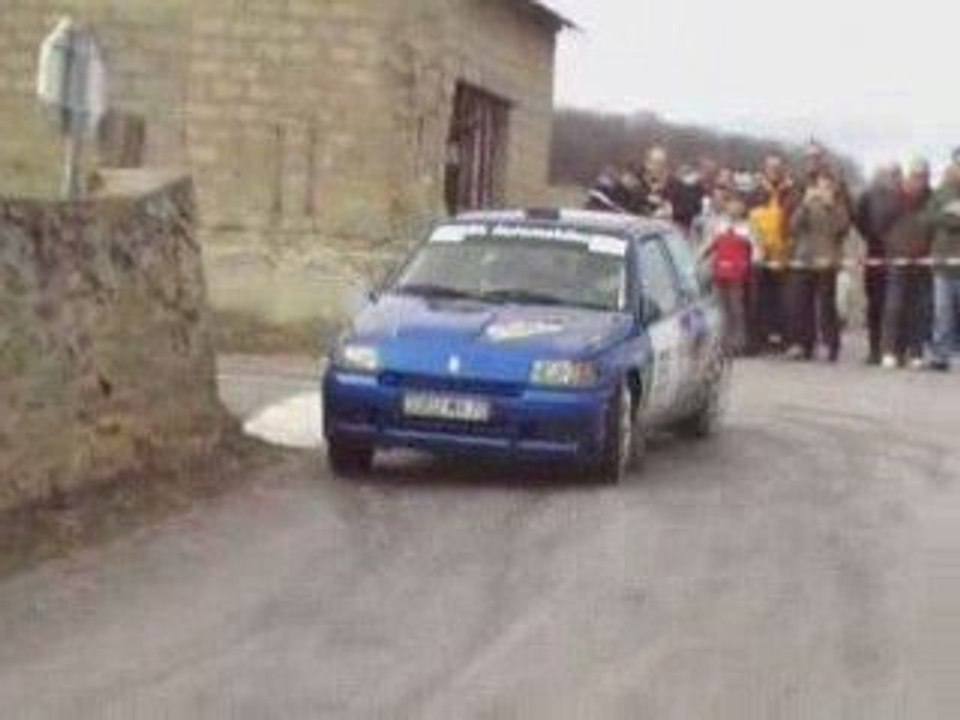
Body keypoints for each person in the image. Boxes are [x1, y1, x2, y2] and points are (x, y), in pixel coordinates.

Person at [786, 174, 850, 361]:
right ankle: (804, 344)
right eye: (820, 187)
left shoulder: (838, 206)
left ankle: (831, 345)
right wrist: (804, 204)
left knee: (826, 306)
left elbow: (843, 228)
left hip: (826, 260)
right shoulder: (807, 205)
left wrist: (831, 206)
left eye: (827, 187)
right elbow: (793, 226)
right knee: (801, 303)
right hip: (805, 258)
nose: (823, 191)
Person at [880, 158, 933, 369]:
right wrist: (892, 246)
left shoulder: (931, 198)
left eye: (923, 176)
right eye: (916, 175)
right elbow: (880, 224)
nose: (919, 180)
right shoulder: (895, 196)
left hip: (922, 258)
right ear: (909, 176)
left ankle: (916, 351)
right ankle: (890, 350)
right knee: (894, 305)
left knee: (918, 308)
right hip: (898, 257)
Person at [854, 163, 903, 364]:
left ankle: (894, 349)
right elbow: (859, 220)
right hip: (875, 252)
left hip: (899, 254)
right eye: (888, 174)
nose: (891, 178)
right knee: (875, 303)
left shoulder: (904, 197)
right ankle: (875, 349)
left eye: (894, 174)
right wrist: (872, 238)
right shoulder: (868, 196)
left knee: (896, 306)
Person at [749, 155, 796, 352]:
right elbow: (749, 217)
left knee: (785, 299)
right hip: (761, 251)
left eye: (777, 167)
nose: (774, 171)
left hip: (785, 251)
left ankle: (784, 337)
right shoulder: (756, 191)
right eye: (770, 167)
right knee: (761, 298)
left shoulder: (791, 191)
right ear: (764, 169)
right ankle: (761, 338)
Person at [700, 194, 756, 355]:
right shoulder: (718, 225)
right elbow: (708, 246)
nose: (734, 208)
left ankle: (739, 343)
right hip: (719, 272)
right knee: (720, 308)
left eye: (738, 205)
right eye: (731, 205)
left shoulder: (748, 226)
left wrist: (753, 265)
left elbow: (756, 249)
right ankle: (721, 342)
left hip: (738, 274)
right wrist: (697, 260)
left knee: (736, 308)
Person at [925, 153, 960, 371]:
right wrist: (953, 218)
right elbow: (930, 218)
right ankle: (940, 356)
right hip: (943, 263)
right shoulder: (941, 192)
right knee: (942, 312)